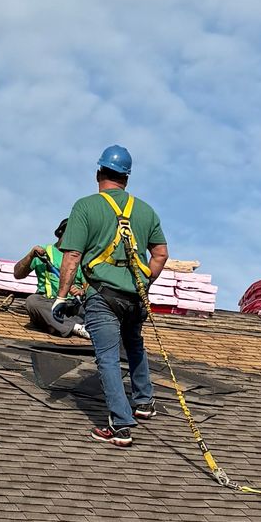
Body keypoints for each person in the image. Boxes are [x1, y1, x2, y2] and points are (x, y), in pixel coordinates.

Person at [55, 147, 169, 446]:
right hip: (135, 297)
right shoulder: (145, 211)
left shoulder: (85, 206)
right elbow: (160, 254)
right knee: (134, 344)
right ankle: (144, 402)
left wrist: (61, 296)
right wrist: (144, 282)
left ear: (98, 174)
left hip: (104, 296)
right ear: (126, 179)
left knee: (107, 357)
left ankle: (120, 425)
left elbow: (72, 256)